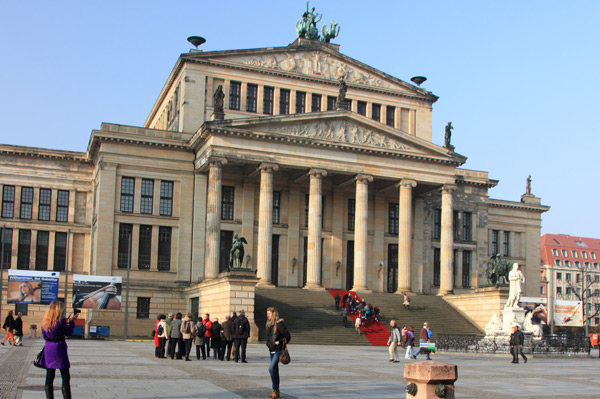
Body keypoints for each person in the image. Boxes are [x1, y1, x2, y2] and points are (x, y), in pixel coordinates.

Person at [39, 300, 78, 399]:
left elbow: (44, 336)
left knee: (49, 376)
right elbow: (68, 333)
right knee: (65, 376)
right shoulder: (61, 321)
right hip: (59, 348)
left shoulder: (45, 321)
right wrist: (72, 322)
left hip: (49, 348)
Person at [265, 306, 291, 399]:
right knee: (275, 370)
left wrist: (279, 342)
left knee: (271, 369)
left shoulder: (279, 324)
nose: (267, 315)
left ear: (274, 314)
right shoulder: (269, 324)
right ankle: (275, 391)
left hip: (278, 350)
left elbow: (288, 336)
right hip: (271, 350)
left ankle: (275, 389)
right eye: (267, 314)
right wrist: (268, 344)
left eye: (269, 313)